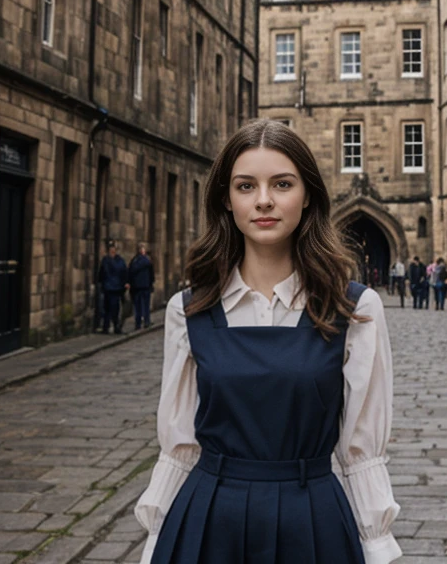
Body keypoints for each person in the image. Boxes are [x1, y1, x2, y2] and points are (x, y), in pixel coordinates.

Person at [134, 119, 401, 564]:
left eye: (281, 184)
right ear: (226, 198)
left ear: (308, 194)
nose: (263, 201)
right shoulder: (188, 310)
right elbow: (180, 445)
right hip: (209, 519)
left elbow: (359, 452)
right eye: (245, 186)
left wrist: (376, 545)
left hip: (311, 517)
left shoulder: (356, 309)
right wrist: (155, 544)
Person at [98, 240, 128, 334]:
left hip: (116, 288)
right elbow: (102, 274)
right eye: (111, 249)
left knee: (114, 309)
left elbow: (124, 272)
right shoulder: (106, 260)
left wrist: (125, 283)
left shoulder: (119, 260)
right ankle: (106, 327)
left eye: (113, 249)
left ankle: (115, 327)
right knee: (107, 309)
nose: (112, 251)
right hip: (109, 288)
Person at [128, 243, 155, 329]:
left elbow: (130, 272)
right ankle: (146, 321)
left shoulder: (134, 261)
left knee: (138, 306)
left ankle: (138, 323)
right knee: (145, 305)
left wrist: (130, 283)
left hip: (136, 287)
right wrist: (151, 283)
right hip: (145, 286)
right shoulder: (147, 261)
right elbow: (151, 274)